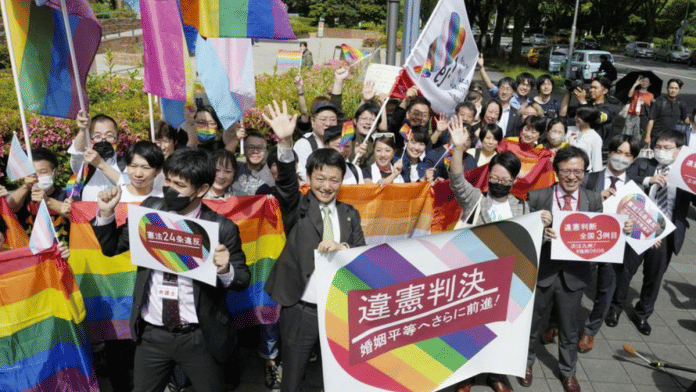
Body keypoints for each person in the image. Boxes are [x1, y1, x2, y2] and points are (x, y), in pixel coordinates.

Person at [91, 147, 249, 392]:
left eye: (180, 184)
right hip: (153, 335)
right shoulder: (151, 210)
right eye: (168, 180)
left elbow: (241, 280)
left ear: (201, 189)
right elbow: (112, 247)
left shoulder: (221, 227)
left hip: (199, 337)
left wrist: (225, 268)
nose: (169, 188)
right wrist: (106, 211)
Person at [262, 100, 366, 392]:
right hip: (302, 308)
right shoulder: (298, 207)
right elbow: (285, 184)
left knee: (332, 379)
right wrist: (284, 141)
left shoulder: (349, 213)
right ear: (309, 178)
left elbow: (362, 255)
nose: (326, 185)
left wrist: (344, 247)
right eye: (320, 178)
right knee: (293, 379)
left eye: (334, 179)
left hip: (338, 310)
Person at [448, 119, 550, 392]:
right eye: (494, 178)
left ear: (514, 181)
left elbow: (530, 239)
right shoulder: (476, 200)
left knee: (499, 330)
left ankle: (495, 374)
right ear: (488, 176)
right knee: (470, 328)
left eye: (505, 180)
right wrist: (459, 149)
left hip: (507, 280)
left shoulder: (522, 206)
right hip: (474, 277)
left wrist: (545, 226)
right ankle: (466, 374)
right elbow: (456, 181)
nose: (499, 183)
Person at [519, 147, 624, 392]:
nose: (571, 176)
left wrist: (622, 232)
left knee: (569, 327)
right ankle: (525, 363)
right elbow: (523, 237)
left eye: (577, 171)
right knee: (532, 325)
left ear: (585, 173)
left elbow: (599, 237)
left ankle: (568, 372)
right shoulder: (537, 197)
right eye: (566, 170)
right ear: (556, 171)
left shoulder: (593, 199)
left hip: (574, 275)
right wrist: (541, 234)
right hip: (543, 272)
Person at [608, 130, 695, 335]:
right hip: (639, 225)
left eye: (667, 148)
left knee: (654, 277)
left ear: (679, 150)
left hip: (666, 233)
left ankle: (642, 314)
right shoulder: (645, 165)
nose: (661, 151)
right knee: (625, 270)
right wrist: (649, 181)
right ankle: (615, 309)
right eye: (659, 147)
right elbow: (626, 176)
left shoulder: (685, 173)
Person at [575, 134, 643, 353]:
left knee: (606, 289)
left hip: (616, 245)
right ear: (610, 152)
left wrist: (643, 233)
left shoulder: (636, 185)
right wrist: (596, 200)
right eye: (618, 152)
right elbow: (574, 208)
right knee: (574, 285)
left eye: (627, 155)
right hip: (588, 240)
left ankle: (590, 331)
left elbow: (643, 218)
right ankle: (558, 322)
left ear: (633, 159)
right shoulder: (590, 179)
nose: (621, 158)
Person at [8, 148, 72, 242]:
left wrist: (48, 201)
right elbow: (8, 207)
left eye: (43, 172)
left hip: (61, 251)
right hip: (31, 252)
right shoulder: (24, 196)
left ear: (55, 173)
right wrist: (26, 186)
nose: (37, 177)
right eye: (33, 173)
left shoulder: (66, 195)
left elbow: (74, 214)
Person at [68, 111, 126, 202]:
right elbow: (77, 152)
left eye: (109, 136)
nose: (103, 140)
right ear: (89, 139)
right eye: (97, 136)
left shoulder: (127, 165)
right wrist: (83, 129)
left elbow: (129, 185)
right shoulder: (84, 166)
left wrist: (100, 163)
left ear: (117, 139)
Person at [560, 76, 618, 147]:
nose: (591, 90)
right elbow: (563, 113)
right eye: (591, 87)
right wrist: (568, 92)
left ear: (605, 91)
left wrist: (582, 101)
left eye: (595, 88)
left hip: (599, 148)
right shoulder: (586, 104)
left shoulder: (610, 109)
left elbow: (595, 117)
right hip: (580, 145)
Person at [294, 100, 339, 181]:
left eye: (333, 119)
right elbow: (305, 176)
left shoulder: (341, 143)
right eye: (323, 119)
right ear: (312, 121)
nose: (328, 123)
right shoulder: (304, 144)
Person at [644, 78, 690, 146]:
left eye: (676, 88)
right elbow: (651, 120)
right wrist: (647, 136)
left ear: (679, 90)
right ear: (667, 88)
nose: (673, 90)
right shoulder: (659, 102)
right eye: (671, 88)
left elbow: (686, 119)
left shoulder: (681, 104)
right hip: (657, 137)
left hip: (673, 139)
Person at [233, 130, 275, 195]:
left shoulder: (271, 170)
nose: (255, 151)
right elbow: (223, 160)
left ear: (265, 151)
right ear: (244, 150)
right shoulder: (236, 167)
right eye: (251, 147)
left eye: (260, 147)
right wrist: (235, 139)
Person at [569, 106, 603, 172]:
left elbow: (597, 162)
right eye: (576, 115)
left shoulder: (595, 138)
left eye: (579, 116)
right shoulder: (569, 130)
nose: (576, 118)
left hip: (583, 172)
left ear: (588, 119)